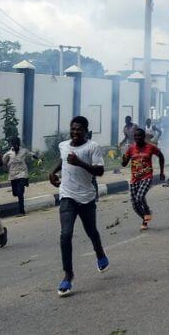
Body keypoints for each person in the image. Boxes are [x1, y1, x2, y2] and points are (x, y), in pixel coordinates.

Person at [49, 116, 108, 297]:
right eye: (73, 129)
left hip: (87, 197)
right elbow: (64, 159)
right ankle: (68, 274)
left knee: (91, 231)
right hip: (67, 195)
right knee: (65, 234)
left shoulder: (93, 147)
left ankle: (99, 253)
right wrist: (52, 172)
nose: (75, 132)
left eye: (79, 129)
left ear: (85, 131)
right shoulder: (64, 145)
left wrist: (80, 163)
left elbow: (100, 171)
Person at [122, 127, 165, 230]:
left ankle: (147, 212)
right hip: (134, 179)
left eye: (139, 136)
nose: (137, 138)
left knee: (140, 197)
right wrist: (123, 159)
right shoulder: (131, 148)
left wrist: (162, 172)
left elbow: (161, 156)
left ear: (144, 137)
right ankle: (145, 218)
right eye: (135, 136)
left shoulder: (150, 147)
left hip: (147, 176)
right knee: (134, 205)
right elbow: (124, 164)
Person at [2, 137, 36, 216]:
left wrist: (38, 158)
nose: (16, 146)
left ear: (19, 144)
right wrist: (5, 169)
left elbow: (31, 154)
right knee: (15, 193)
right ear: (12, 145)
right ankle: (20, 189)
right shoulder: (8, 154)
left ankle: (21, 211)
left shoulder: (24, 151)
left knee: (20, 193)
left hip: (22, 173)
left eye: (17, 144)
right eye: (14, 144)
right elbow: (4, 162)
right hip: (13, 175)